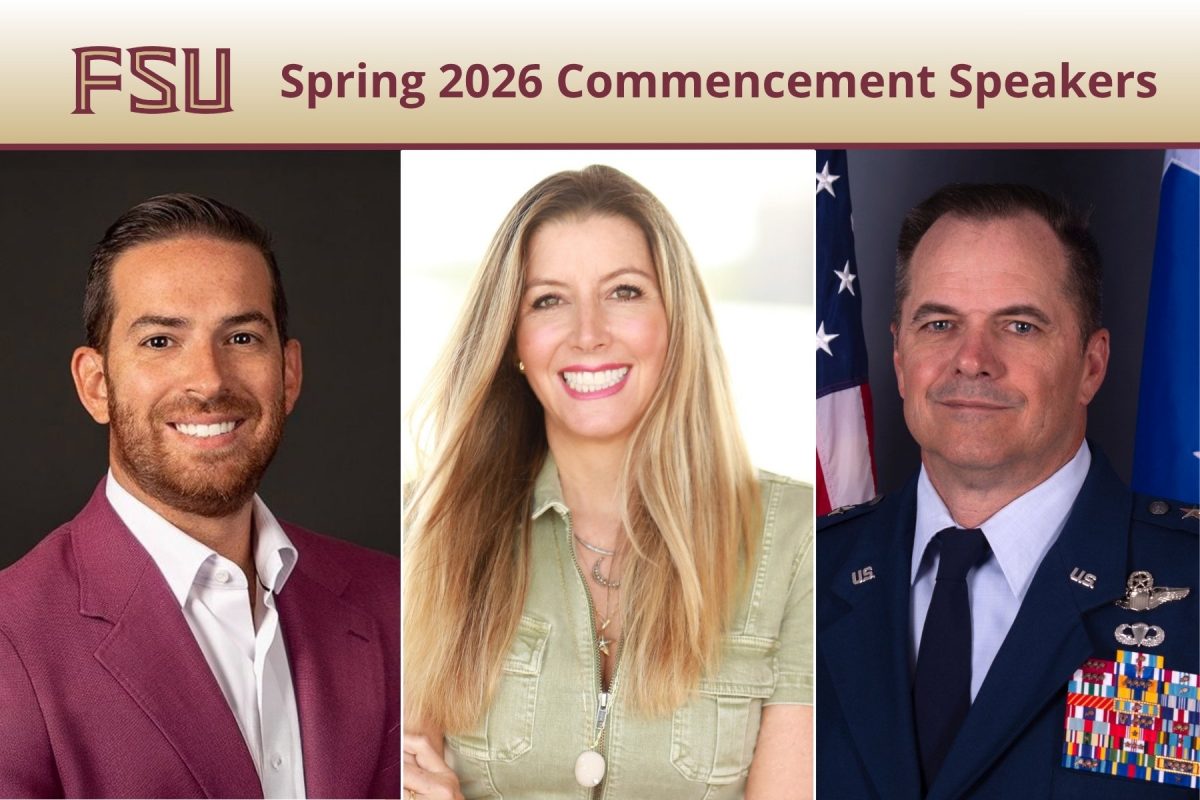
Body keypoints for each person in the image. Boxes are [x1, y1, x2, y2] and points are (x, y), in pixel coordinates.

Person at [402, 165, 813, 799]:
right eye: (548, 299)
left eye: (623, 292)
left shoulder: (796, 537)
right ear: (513, 336)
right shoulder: (429, 526)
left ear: (674, 320)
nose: (588, 333)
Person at [0, 194, 400, 798]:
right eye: (160, 341)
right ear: (95, 384)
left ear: (288, 374)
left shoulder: (396, 599)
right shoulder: (12, 638)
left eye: (241, 338)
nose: (209, 381)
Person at [816, 183, 1199, 799]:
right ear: (897, 357)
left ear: (1090, 366)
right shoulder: (805, 574)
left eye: (1019, 325)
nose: (972, 360)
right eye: (939, 323)